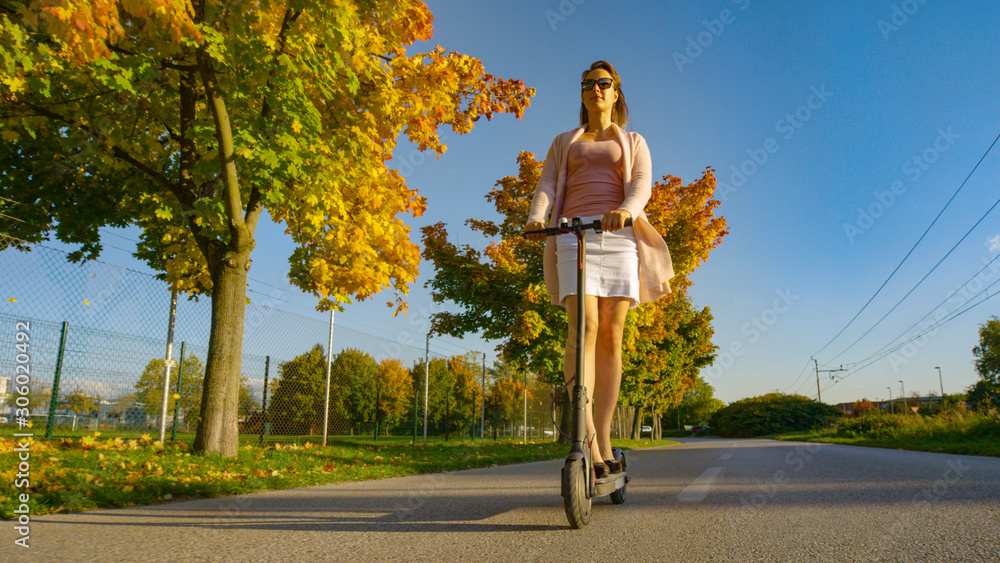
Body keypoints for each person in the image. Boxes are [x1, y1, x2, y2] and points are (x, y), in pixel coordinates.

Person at [524, 60, 674, 478]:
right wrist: (539, 217)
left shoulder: (633, 140)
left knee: (611, 334)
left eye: (603, 83)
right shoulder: (564, 141)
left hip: (619, 239)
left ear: (616, 92)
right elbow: (548, 184)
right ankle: (586, 439)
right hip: (574, 236)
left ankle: (605, 439)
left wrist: (625, 211)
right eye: (588, 83)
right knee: (583, 326)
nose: (595, 88)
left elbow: (642, 184)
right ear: (583, 93)